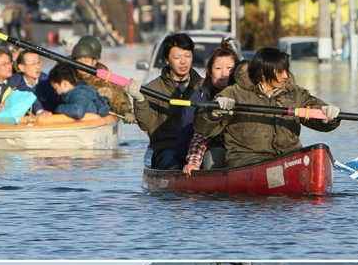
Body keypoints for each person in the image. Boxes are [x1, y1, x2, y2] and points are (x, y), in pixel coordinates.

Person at [193, 46, 340, 169]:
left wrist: (329, 116)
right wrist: (214, 112)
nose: (285, 75)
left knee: (319, 150)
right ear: (263, 74)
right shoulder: (234, 93)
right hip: (246, 161)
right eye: (279, 71)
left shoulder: (296, 94)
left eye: (286, 70)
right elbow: (203, 128)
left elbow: (317, 112)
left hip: (288, 158)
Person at [126, 32, 202, 169]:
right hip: (167, 148)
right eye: (177, 57)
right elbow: (146, 124)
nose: (183, 61)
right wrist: (139, 99)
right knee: (171, 162)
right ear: (167, 59)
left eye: (187, 56)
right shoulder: (153, 88)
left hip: (198, 149)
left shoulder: (203, 87)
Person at [179, 40, 241, 175]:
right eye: (218, 68)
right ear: (210, 73)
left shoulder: (247, 94)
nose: (224, 73)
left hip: (242, 154)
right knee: (215, 155)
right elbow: (198, 136)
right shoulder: (199, 98)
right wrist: (192, 163)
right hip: (212, 155)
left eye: (230, 69)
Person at [70, 37, 134, 122]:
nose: (83, 64)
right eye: (80, 60)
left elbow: (117, 95)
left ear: (94, 61)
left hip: (95, 116)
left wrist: (125, 111)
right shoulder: (68, 72)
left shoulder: (104, 78)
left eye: (86, 60)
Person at [12, 50, 57, 115]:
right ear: (21, 67)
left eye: (39, 62)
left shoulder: (48, 83)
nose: (38, 67)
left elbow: (52, 105)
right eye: (33, 64)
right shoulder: (14, 81)